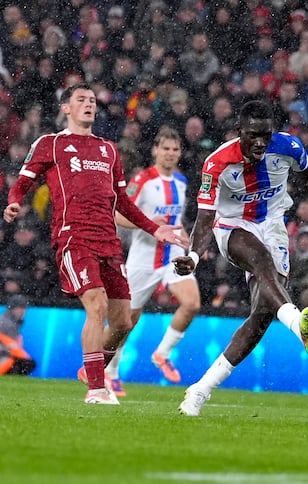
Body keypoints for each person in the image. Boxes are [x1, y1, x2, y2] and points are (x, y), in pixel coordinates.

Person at [172, 100, 308, 416]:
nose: (260, 142)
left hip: (273, 223)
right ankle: (296, 321)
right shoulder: (217, 163)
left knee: (262, 314)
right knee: (261, 260)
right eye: (253, 135)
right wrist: (194, 255)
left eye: (265, 134)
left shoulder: (288, 146)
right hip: (232, 226)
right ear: (240, 133)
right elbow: (206, 217)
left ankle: (199, 391)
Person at [3, 82, 187, 405]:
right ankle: (97, 390)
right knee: (97, 306)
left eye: (92, 100)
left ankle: (93, 369)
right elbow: (23, 182)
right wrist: (15, 201)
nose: (89, 105)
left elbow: (123, 204)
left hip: (109, 242)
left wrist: (155, 230)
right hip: (74, 237)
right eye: (81, 100)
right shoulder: (51, 144)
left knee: (123, 321)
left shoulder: (108, 150)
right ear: (66, 108)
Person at [107, 126, 201, 397]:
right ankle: (110, 372)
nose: (171, 154)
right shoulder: (143, 180)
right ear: (155, 150)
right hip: (143, 257)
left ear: (180, 152)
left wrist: (181, 233)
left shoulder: (181, 183)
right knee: (126, 321)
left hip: (171, 256)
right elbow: (116, 213)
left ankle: (161, 353)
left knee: (192, 303)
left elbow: (176, 220)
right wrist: (147, 225)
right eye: (166, 149)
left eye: (175, 149)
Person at [0, 295, 36, 376]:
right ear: (12, 308)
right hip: (4, 354)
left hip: (6, 353)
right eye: (20, 308)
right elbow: (11, 345)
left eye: (24, 308)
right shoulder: (6, 323)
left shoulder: (10, 321)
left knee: (26, 363)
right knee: (27, 363)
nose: (23, 311)